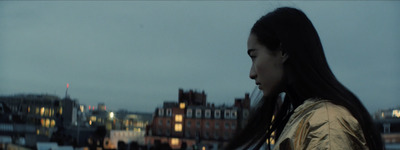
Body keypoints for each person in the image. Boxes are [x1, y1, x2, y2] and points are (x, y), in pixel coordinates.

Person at [225, 7, 384, 150]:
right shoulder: (313, 119)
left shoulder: (326, 126)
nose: (251, 73)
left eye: (254, 57)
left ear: (283, 51)